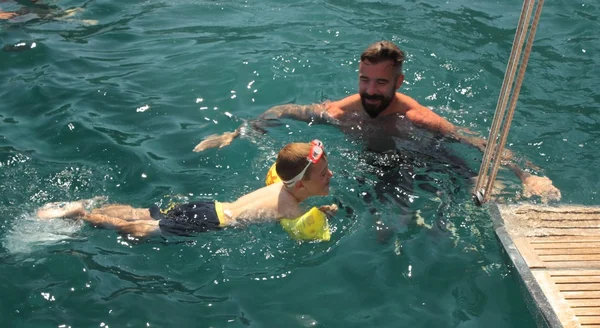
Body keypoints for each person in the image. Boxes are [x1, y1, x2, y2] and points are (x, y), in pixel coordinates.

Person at [192, 40, 561, 203]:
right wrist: (238, 132)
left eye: (380, 83)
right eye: (364, 80)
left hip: (421, 153)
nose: (370, 91)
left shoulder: (416, 116)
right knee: (385, 213)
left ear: (398, 82)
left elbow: (482, 143)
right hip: (373, 161)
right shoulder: (339, 112)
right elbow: (285, 110)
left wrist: (528, 175)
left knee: (461, 177)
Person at [36, 140, 337, 240]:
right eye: (324, 174)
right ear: (300, 185)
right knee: (143, 231)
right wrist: (323, 216)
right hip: (212, 222)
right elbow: (302, 231)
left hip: (210, 205)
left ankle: (96, 208)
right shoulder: (291, 207)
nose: (330, 175)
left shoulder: (280, 185)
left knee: (145, 213)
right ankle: (84, 216)